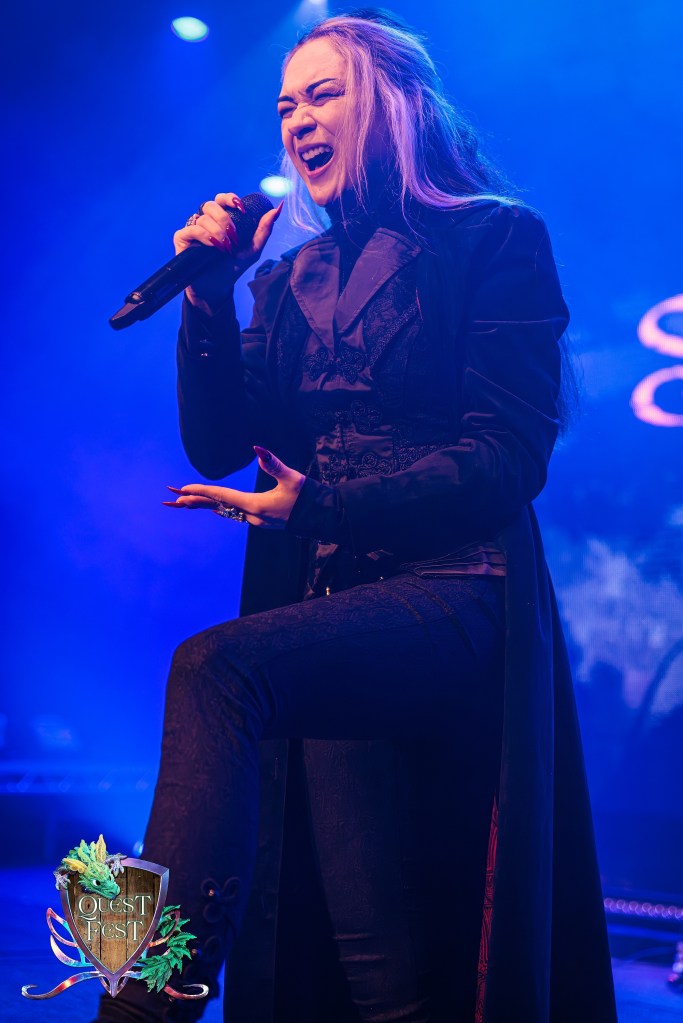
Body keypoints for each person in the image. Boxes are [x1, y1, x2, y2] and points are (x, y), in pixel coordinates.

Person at [93, 10, 617, 1023]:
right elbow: (218, 445)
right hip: (335, 604)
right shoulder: (289, 277)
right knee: (368, 949)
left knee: (216, 668)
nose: (297, 120)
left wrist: (325, 502)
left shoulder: (493, 236)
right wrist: (208, 300)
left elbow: (506, 458)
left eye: (323, 94)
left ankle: (140, 1006)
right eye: (284, 104)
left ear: (396, 105)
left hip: (454, 589)